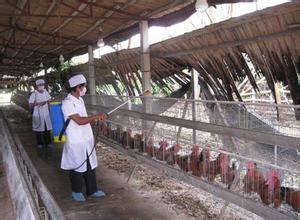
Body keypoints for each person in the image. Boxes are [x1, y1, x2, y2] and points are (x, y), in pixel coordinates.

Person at [61, 74, 107, 202]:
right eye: (83, 86)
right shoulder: (67, 103)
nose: (84, 89)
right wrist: (96, 116)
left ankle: (92, 190)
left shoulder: (80, 101)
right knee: (77, 165)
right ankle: (76, 192)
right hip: (76, 140)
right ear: (76, 87)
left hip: (85, 138)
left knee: (89, 164)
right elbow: (79, 121)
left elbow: (85, 119)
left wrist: (96, 119)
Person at [29, 79, 52, 148]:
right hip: (38, 114)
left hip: (46, 113)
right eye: (40, 85)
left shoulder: (46, 92)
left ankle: (48, 143)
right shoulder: (34, 94)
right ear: (37, 86)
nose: (42, 86)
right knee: (38, 129)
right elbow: (30, 104)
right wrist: (37, 104)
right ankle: (39, 143)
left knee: (46, 129)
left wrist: (49, 109)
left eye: (42, 84)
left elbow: (49, 100)